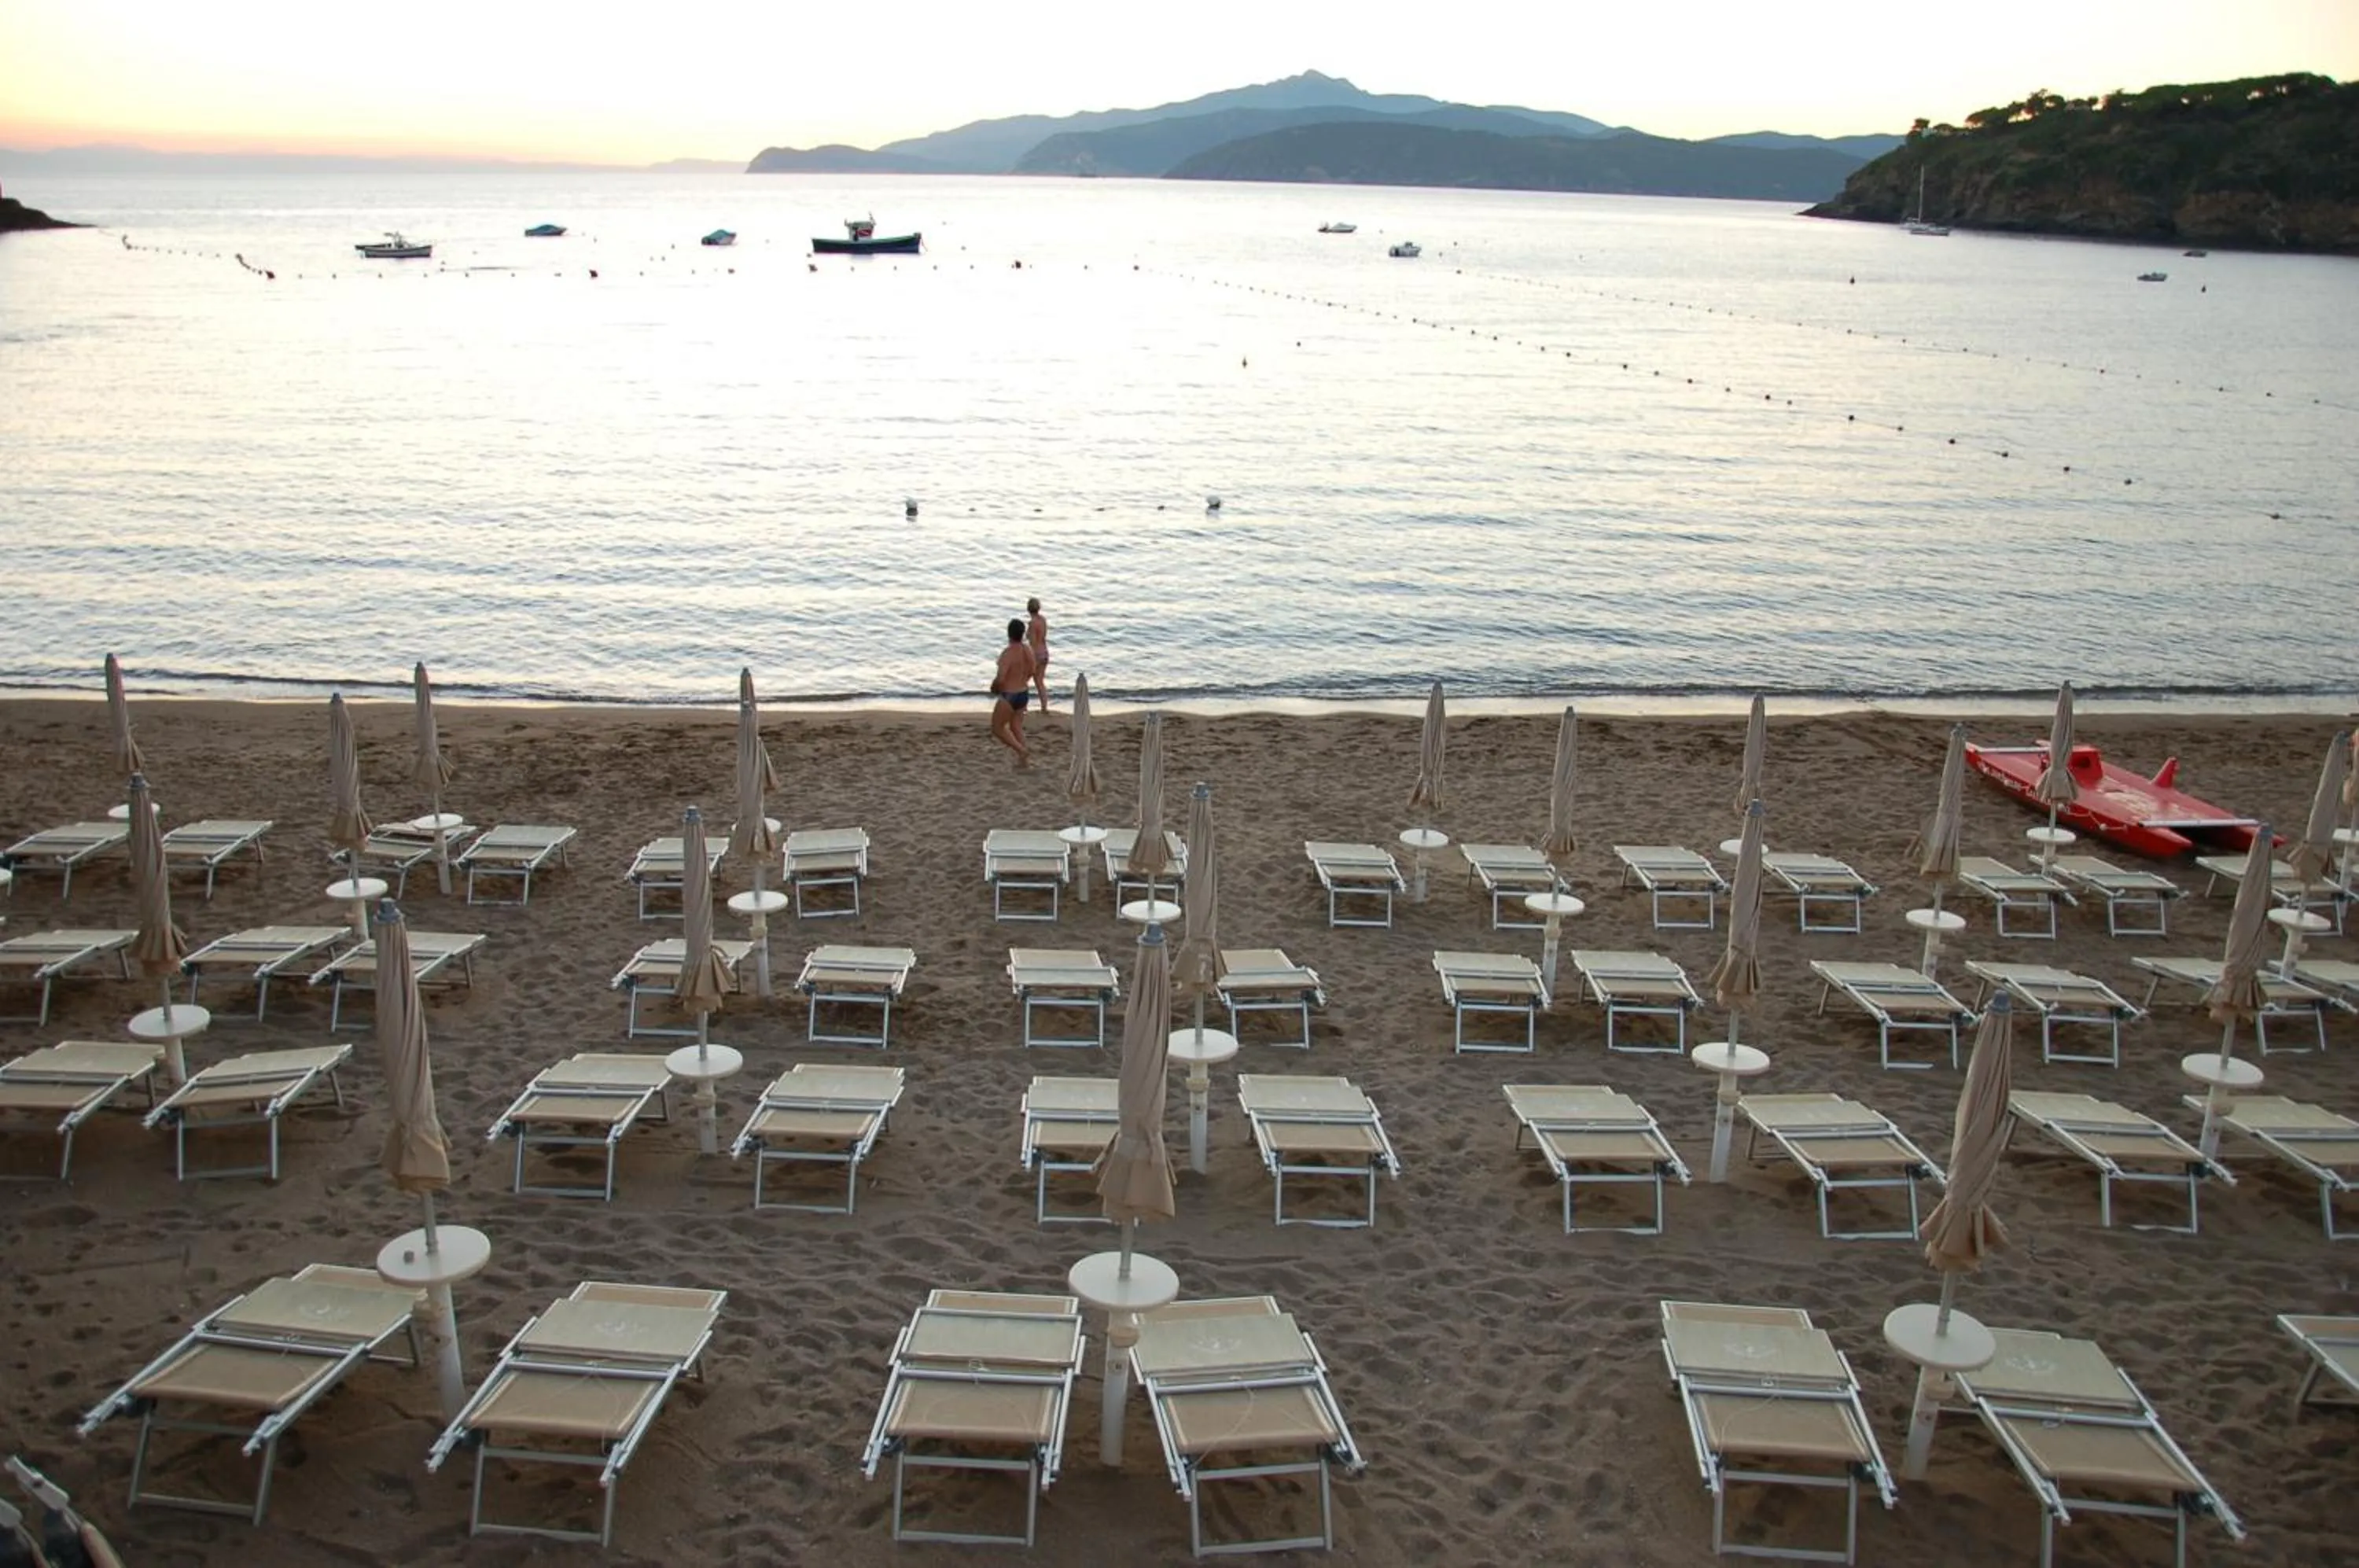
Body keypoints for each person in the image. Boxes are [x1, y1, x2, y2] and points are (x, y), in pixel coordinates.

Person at [991, 618, 1035, 764]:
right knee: (1016, 727)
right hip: (1023, 692)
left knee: (997, 728)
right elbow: (1032, 670)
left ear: (1009, 633)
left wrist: (994, 687)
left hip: (1009, 695)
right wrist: (1023, 680)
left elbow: (1001, 678)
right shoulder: (1027, 650)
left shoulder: (1008, 654)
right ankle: (1024, 758)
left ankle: (1021, 750)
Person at [1025, 597, 1051, 711]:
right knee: (1040, 682)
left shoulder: (1033, 623)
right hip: (1044, 652)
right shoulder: (1043, 620)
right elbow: (1042, 636)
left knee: (1023, 681)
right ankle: (1044, 707)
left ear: (1028, 609)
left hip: (1036, 654)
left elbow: (1033, 642)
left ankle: (1023, 706)